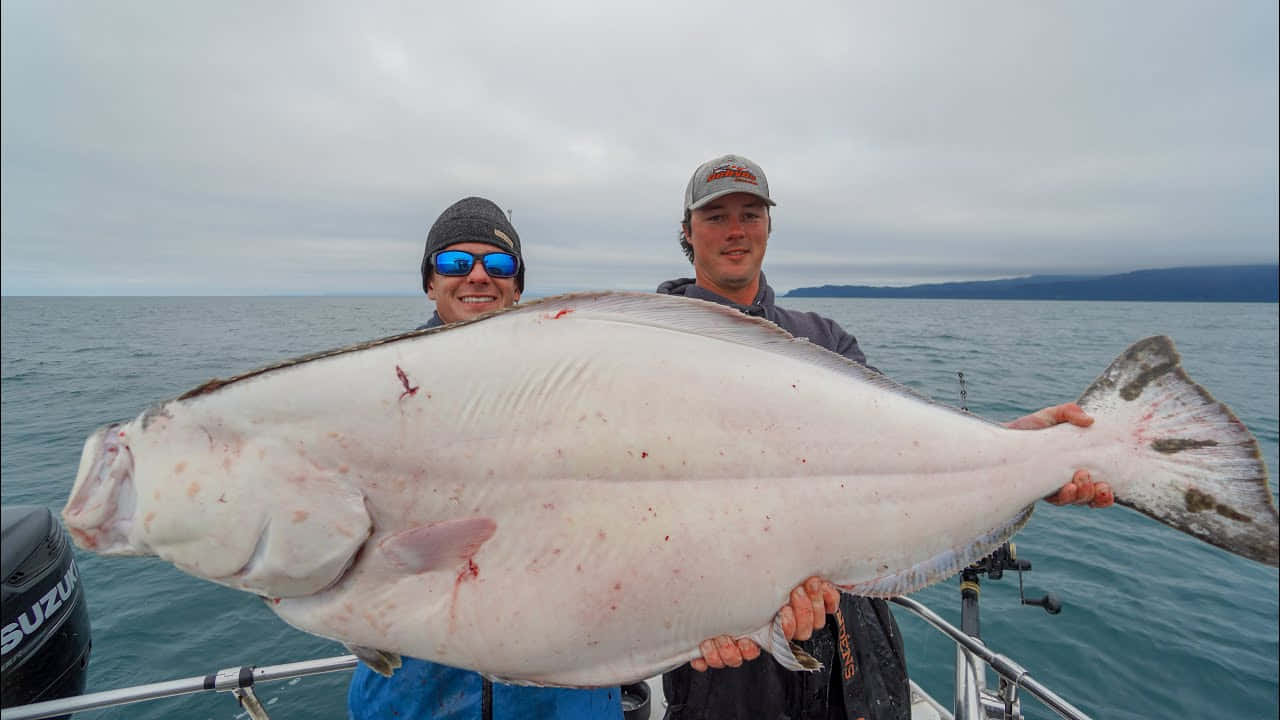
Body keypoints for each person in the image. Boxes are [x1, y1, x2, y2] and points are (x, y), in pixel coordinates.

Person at [655, 154, 1113, 720]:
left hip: (855, 644)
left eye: (751, 214)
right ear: (686, 232)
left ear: (770, 227)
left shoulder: (825, 340)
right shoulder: (651, 345)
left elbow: (899, 459)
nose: (735, 231)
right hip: (723, 648)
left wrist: (1019, 450)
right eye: (715, 216)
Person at [347, 196, 625, 719]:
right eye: (455, 262)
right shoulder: (372, 395)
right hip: (412, 699)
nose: (478, 276)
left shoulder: (580, 394)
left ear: (517, 286)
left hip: (568, 694)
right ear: (430, 281)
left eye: (497, 265)